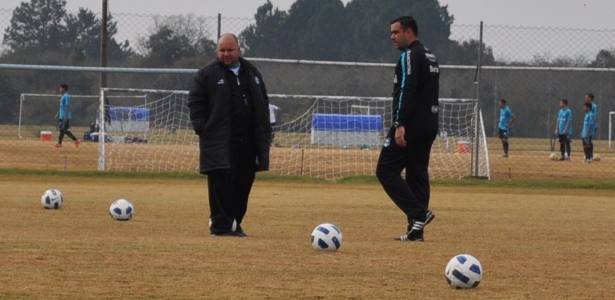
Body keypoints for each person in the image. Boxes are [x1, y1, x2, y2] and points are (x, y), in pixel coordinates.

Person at [188, 33, 271, 237]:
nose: (226, 54)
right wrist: (202, 127)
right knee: (220, 184)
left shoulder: (252, 72)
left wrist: (265, 131)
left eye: (229, 50)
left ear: (238, 50)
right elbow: (196, 102)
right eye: (222, 50)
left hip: (248, 141)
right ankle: (220, 225)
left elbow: (263, 102)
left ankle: (233, 222)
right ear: (217, 51)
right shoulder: (207, 74)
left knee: (243, 183)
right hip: (220, 141)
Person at [376, 16, 439, 242]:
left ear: (408, 32)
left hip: (411, 125)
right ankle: (416, 231)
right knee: (417, 174)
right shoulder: (430, 55)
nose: (392, 37)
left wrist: (399, 123)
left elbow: (407, 89)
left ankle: (419, 214)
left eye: (395, 32)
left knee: (385, 170)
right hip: (430, 123)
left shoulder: (410, 55)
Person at [55, 84, 80, 148]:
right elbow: (61, 106)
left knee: (64, 130)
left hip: (65, 116)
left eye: (60, 88)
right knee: (62, 130)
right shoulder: (62, 96)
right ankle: (60, 143)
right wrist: (58, 113)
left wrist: (65, 117)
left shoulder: (66, 96)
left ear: (64, 89)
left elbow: (67, 106)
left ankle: (75, 140)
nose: (59, 89)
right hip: (61, 116)